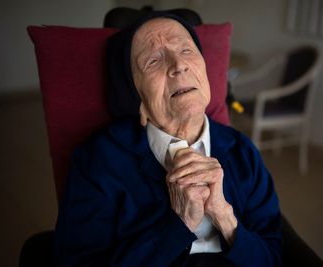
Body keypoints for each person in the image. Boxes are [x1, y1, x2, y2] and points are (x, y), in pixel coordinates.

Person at [54, 12, 282, 267]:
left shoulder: (242, 151)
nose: (178, 66)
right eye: (153, 61)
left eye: (186, 50)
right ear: (134, 94)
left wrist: (226, 219)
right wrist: (178, 225)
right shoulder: (98, 161)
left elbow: (272, 258)